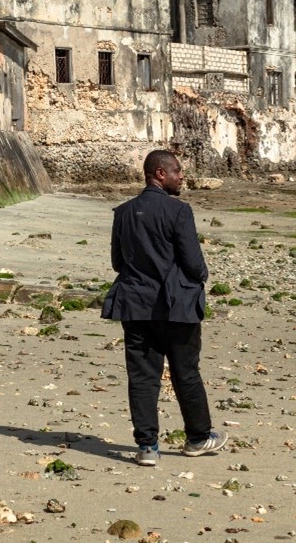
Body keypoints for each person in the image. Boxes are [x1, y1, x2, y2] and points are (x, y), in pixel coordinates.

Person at [101, 150, 227, 466]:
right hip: (177, 306)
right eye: (177, 171)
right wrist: (201, 276)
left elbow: (118, 262)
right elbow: (193, 262)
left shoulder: (124, 212)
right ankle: (198, 438)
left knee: (143, 377)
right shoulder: (178, 211)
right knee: (186, 372)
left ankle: (147, 447)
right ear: (160, 173)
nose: (181, 176)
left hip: (136, 305)